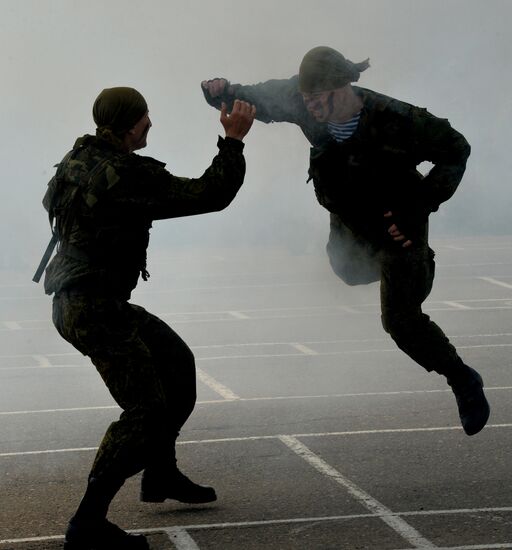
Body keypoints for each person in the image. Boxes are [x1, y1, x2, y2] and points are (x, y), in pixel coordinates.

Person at [201, 46, 490, 438]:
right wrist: (219, 90)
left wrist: (420, 204)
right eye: (306, 100)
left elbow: (457, 149)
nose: (312, 107)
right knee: (346, 271)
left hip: (397, 219)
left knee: (400, 320)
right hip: (350, 218)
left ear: (342, 89)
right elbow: (252, 96)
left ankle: (463, 380)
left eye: (319, 99)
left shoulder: (397, 118)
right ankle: (408, 268)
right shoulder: (300, 99)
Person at [36, 87, 255, 550]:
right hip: (94, 308)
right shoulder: (126, 173)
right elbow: (210, 193)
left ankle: (160, 473)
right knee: (145, 413)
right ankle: (87, 525)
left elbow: (52, 203)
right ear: (130, 124)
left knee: (176, 364)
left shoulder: (79, 158)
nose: (151, 124)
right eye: (145, 118)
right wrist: (233, 141)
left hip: (87, 301)